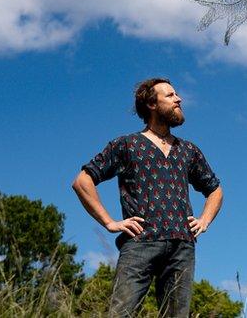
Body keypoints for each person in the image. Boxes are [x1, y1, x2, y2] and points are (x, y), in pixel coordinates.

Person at [72, 77, 223, 317]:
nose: (179, 99)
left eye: (177, 95)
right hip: (140, 242)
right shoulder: (126, 145)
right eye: (171, 95)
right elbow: (82, 181)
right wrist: (110, 222)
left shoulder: (189, 151)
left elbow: (215, 189)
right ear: (152, 104)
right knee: (120, 313)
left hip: (181, 245)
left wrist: (204, 220)